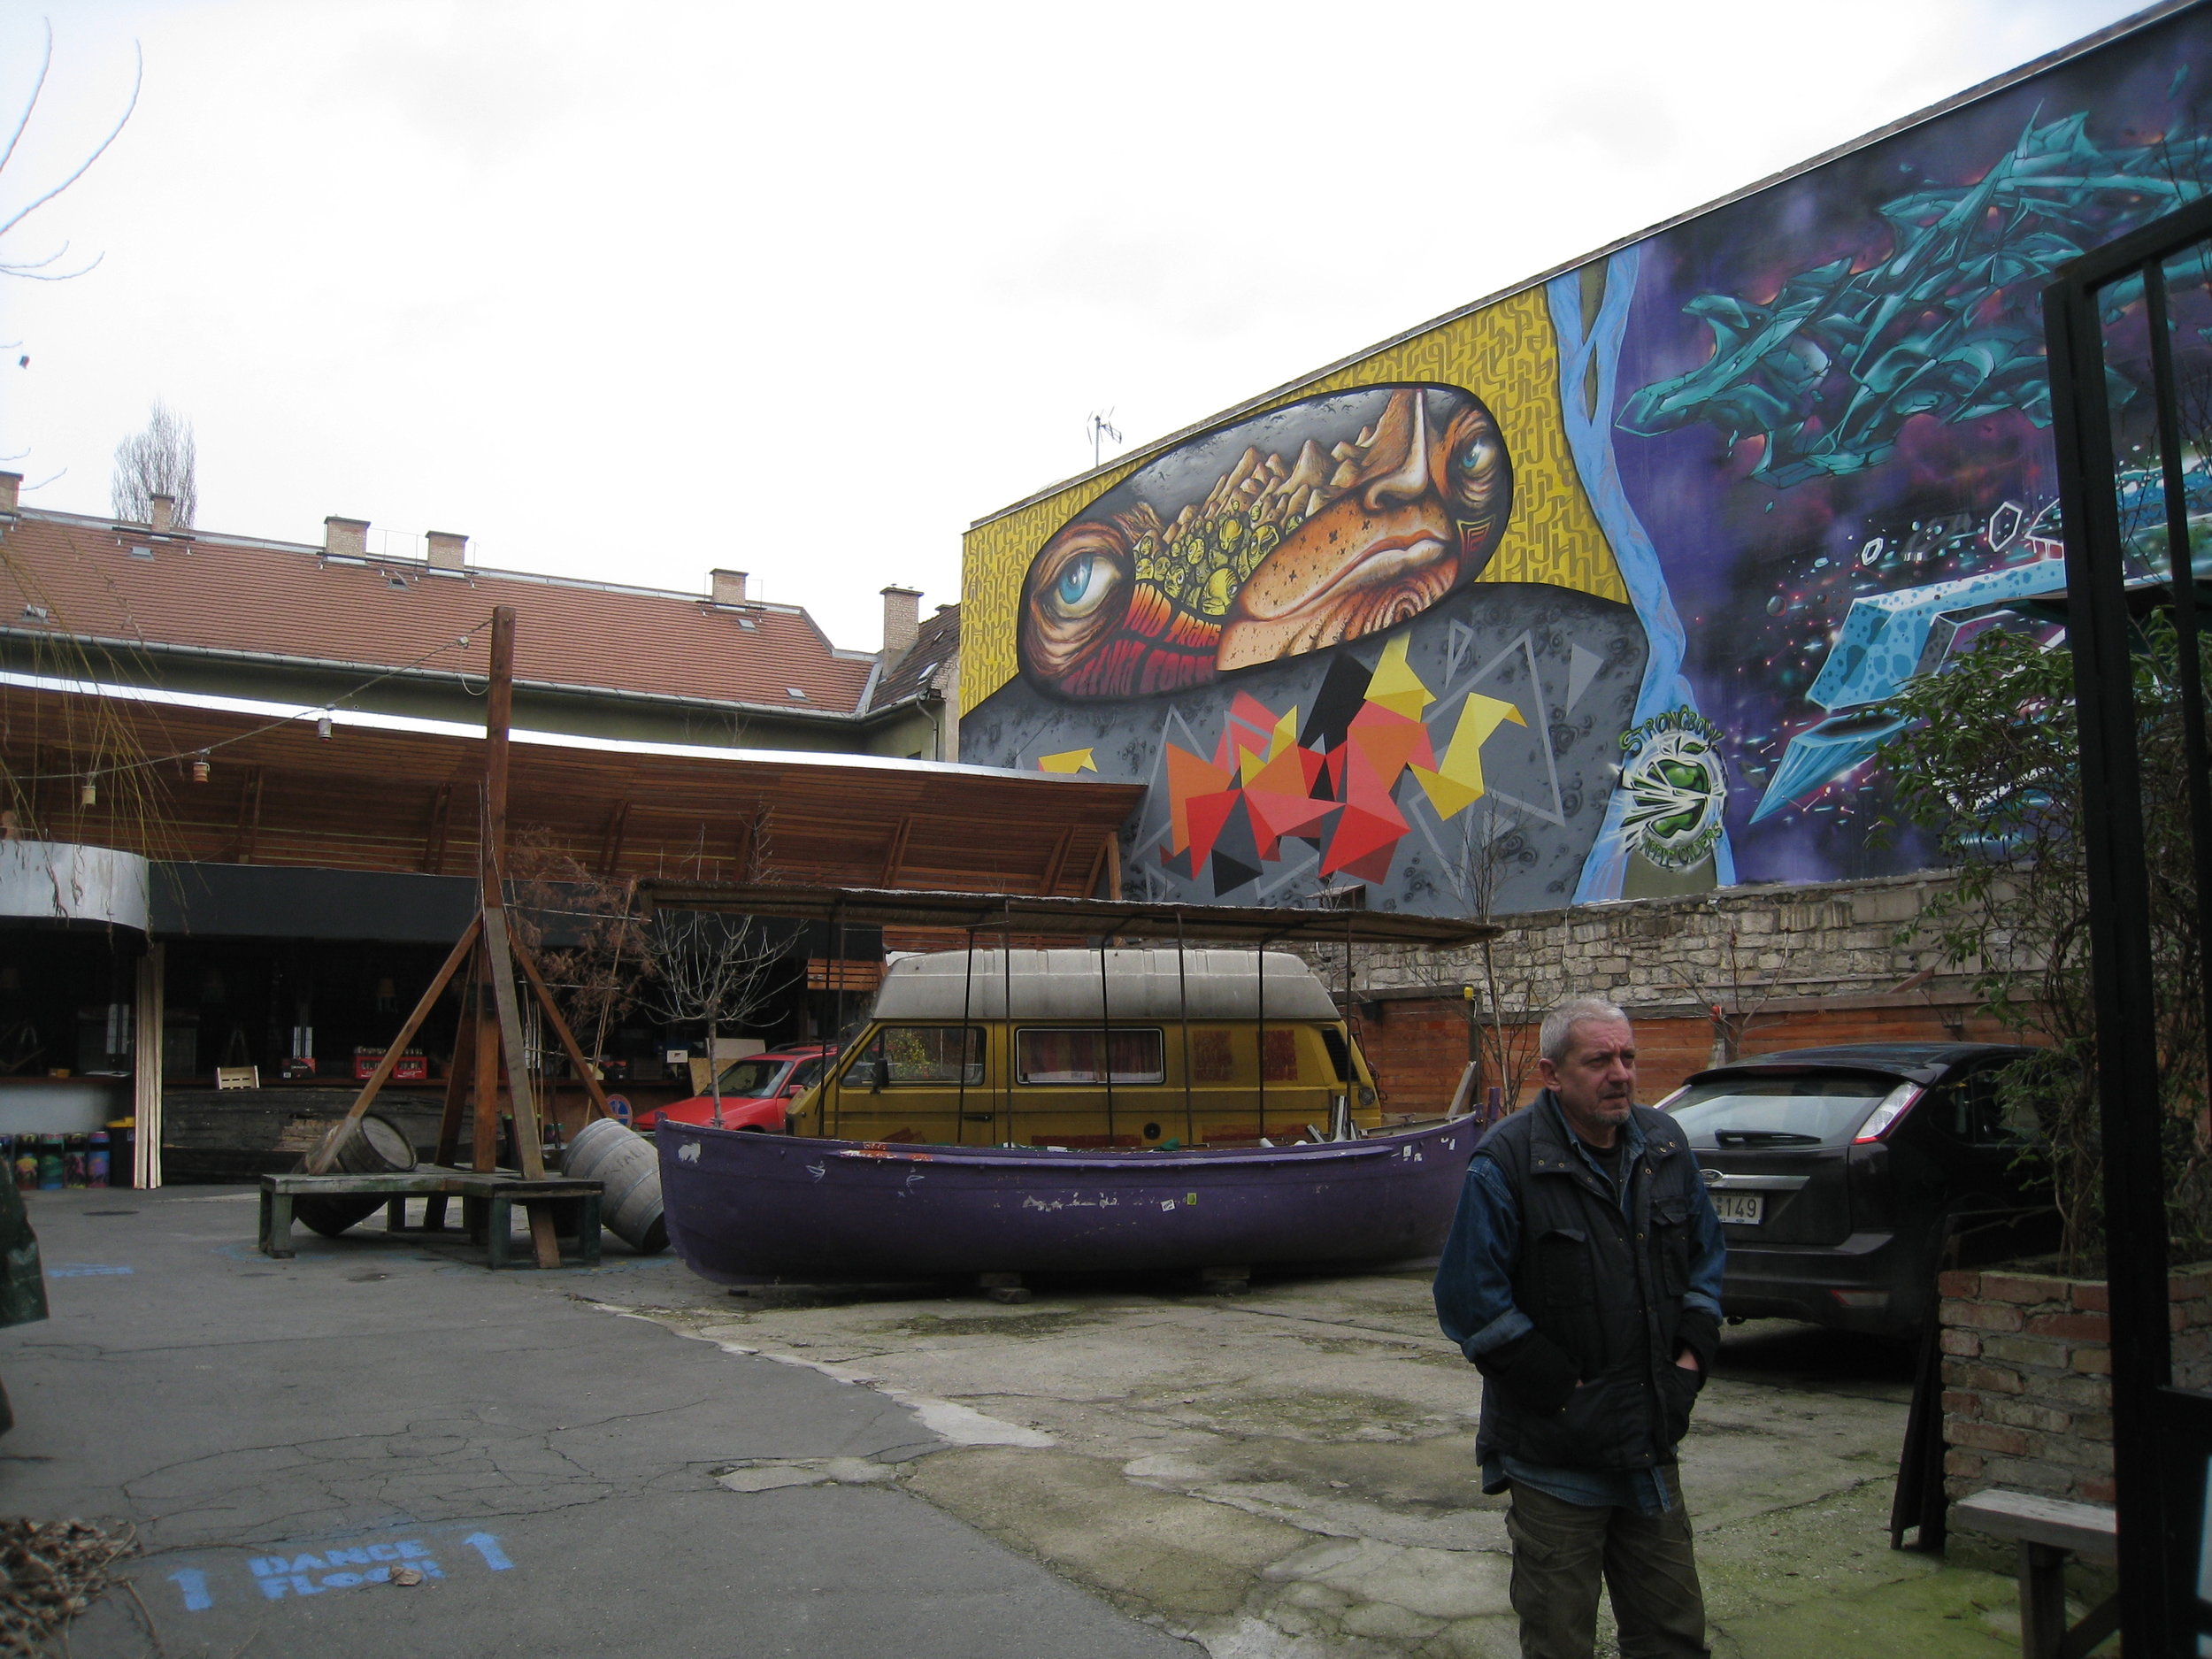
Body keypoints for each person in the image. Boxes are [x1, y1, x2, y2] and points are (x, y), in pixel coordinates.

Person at [1433, 996, 1725, 1659]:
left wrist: (1689, 1365)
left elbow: (1707, 1260)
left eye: (1627, 1057)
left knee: (1673, 1636)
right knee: (1560, 1640)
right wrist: (1564, 1391)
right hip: (1555, 1459)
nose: (1620, 1073)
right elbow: (1469, 1300)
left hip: (1651, 1442)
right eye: (1599, 1060)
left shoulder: (1665, 1148)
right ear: (1552, 1072)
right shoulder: (1505, 1163)